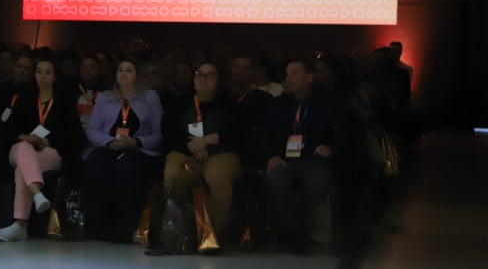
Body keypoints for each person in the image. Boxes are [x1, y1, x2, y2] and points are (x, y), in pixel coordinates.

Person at [0, 53, 84, 241]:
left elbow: (75, 136)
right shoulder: (24, 99)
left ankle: (20, 224)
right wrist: (25, 137)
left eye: (48, 72)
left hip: (48, 152)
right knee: (24, 149)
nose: (42, 76)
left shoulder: (65, 102)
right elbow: (6, 130)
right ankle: (37, 195)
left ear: (55, 76)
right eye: (39, 72)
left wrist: (49, 141)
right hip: (20, 148)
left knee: (23, 169)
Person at [80, 57, 164, 243]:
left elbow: (159, 134)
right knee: (96, 163)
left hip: (138, 150)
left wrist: (136, 142)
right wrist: (109, 142)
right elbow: (92, 129)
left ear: (137, 75)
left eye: (129, 70)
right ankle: (95, 226)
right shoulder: (104, 98)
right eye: (121, 70)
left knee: (128, 167)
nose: (124, 74)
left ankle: (129, 228)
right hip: (109, 147)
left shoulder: (150, 97)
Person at [260, 57, 339, 253]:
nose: (289, 78)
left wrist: (329, 148)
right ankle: (296, 232)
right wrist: (271, 155)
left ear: (309, 77)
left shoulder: (327, 103)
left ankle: (290, 229)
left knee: (319, 182)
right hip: (284, 159)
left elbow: (339, 133)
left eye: (295, 73)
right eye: (287, 74)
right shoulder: (278, 105)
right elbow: (263, 134)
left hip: (313, 159)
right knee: (276, 180)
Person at [162, 61, 243, 240]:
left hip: (220, 154)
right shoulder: (179, 104)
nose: (204, 79)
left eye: (210, 75)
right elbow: (169, 132)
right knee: (173, 174)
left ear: (219, 81)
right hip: (186, 153)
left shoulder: (230, 105)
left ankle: (210, 235)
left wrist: (208, 141)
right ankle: (180, 232)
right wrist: (191, 145)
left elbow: (238, 134)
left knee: (217, 177)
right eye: (200, 74)